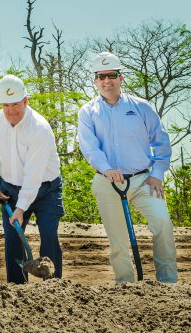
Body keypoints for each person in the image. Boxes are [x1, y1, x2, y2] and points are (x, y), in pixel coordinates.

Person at [77, 51, 178, 284]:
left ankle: (168, 282)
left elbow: (161, 142)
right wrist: (106, 168)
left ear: (121, 78)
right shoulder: (88, 112)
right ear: (95, 81)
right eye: (101, 76)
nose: (106, 81)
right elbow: (90, 147)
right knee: (117, 238)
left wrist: (157, 174)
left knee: (162, 223)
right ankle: (125, 285)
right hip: (108, 182)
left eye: (111, 75)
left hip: (144, 180)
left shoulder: (141, 107)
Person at [0, 75, 63, 284]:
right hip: (10, 189)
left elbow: (33, 176)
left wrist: (20, 209)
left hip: (46, 190)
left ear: (26, 101)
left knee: (49, 236)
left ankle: (54, 288)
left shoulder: (39, 129)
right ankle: (17, 289)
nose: (10, 111)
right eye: (5, 105)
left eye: (15, 104)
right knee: (13, 240)